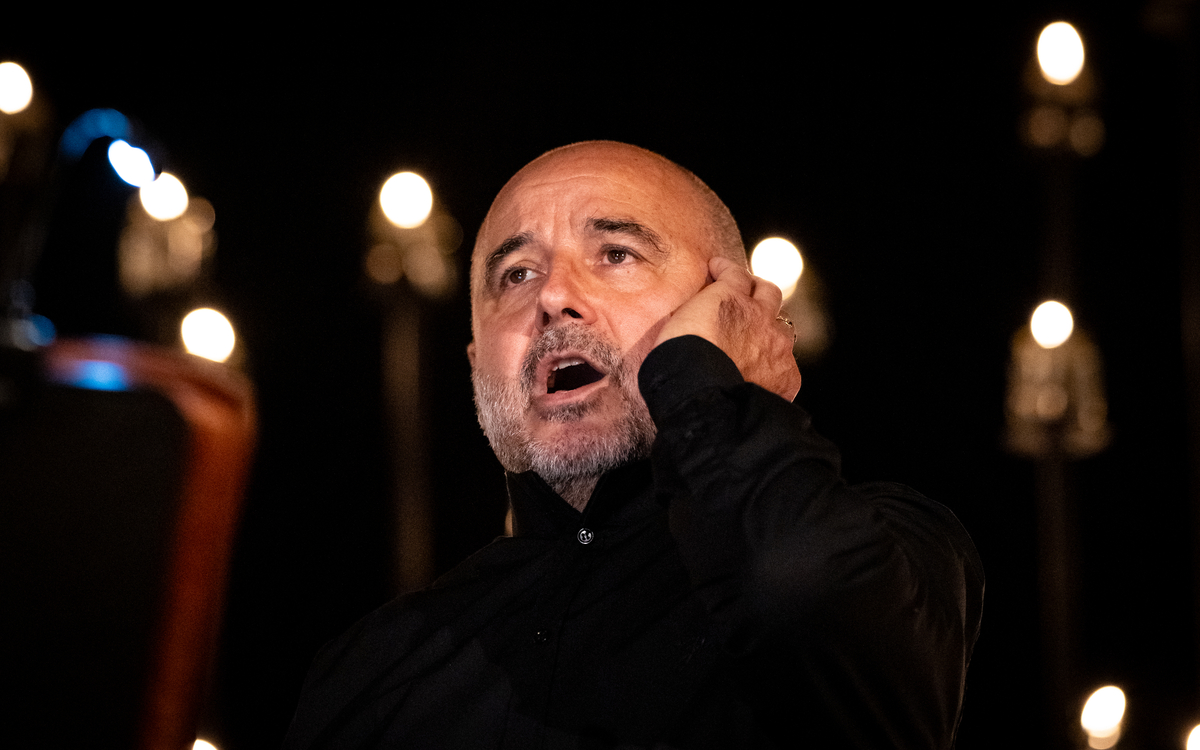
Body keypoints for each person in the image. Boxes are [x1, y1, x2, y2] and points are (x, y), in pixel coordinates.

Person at [283, 141, 984, 749]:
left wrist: (705, 385)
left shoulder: (895, 548)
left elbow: (799, 596)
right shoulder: (371, 672)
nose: (554, 296)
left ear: (732, 311)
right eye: (516, 274)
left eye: (616, 253)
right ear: (475, 364)